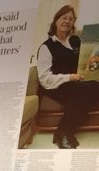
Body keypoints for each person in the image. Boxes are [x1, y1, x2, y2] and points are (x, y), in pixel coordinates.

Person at [37, 4, 99, 148]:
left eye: (71, 19)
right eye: (64, 17)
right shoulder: (47, 46)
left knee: (95, 86)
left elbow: (84, 63)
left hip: (76, 83)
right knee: (82, 92)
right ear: (56, 20)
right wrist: (69, 77)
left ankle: (62, 132)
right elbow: (45, 78)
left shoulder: (75, 41)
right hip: (55, 85)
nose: (67, 21)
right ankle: (64, 131)